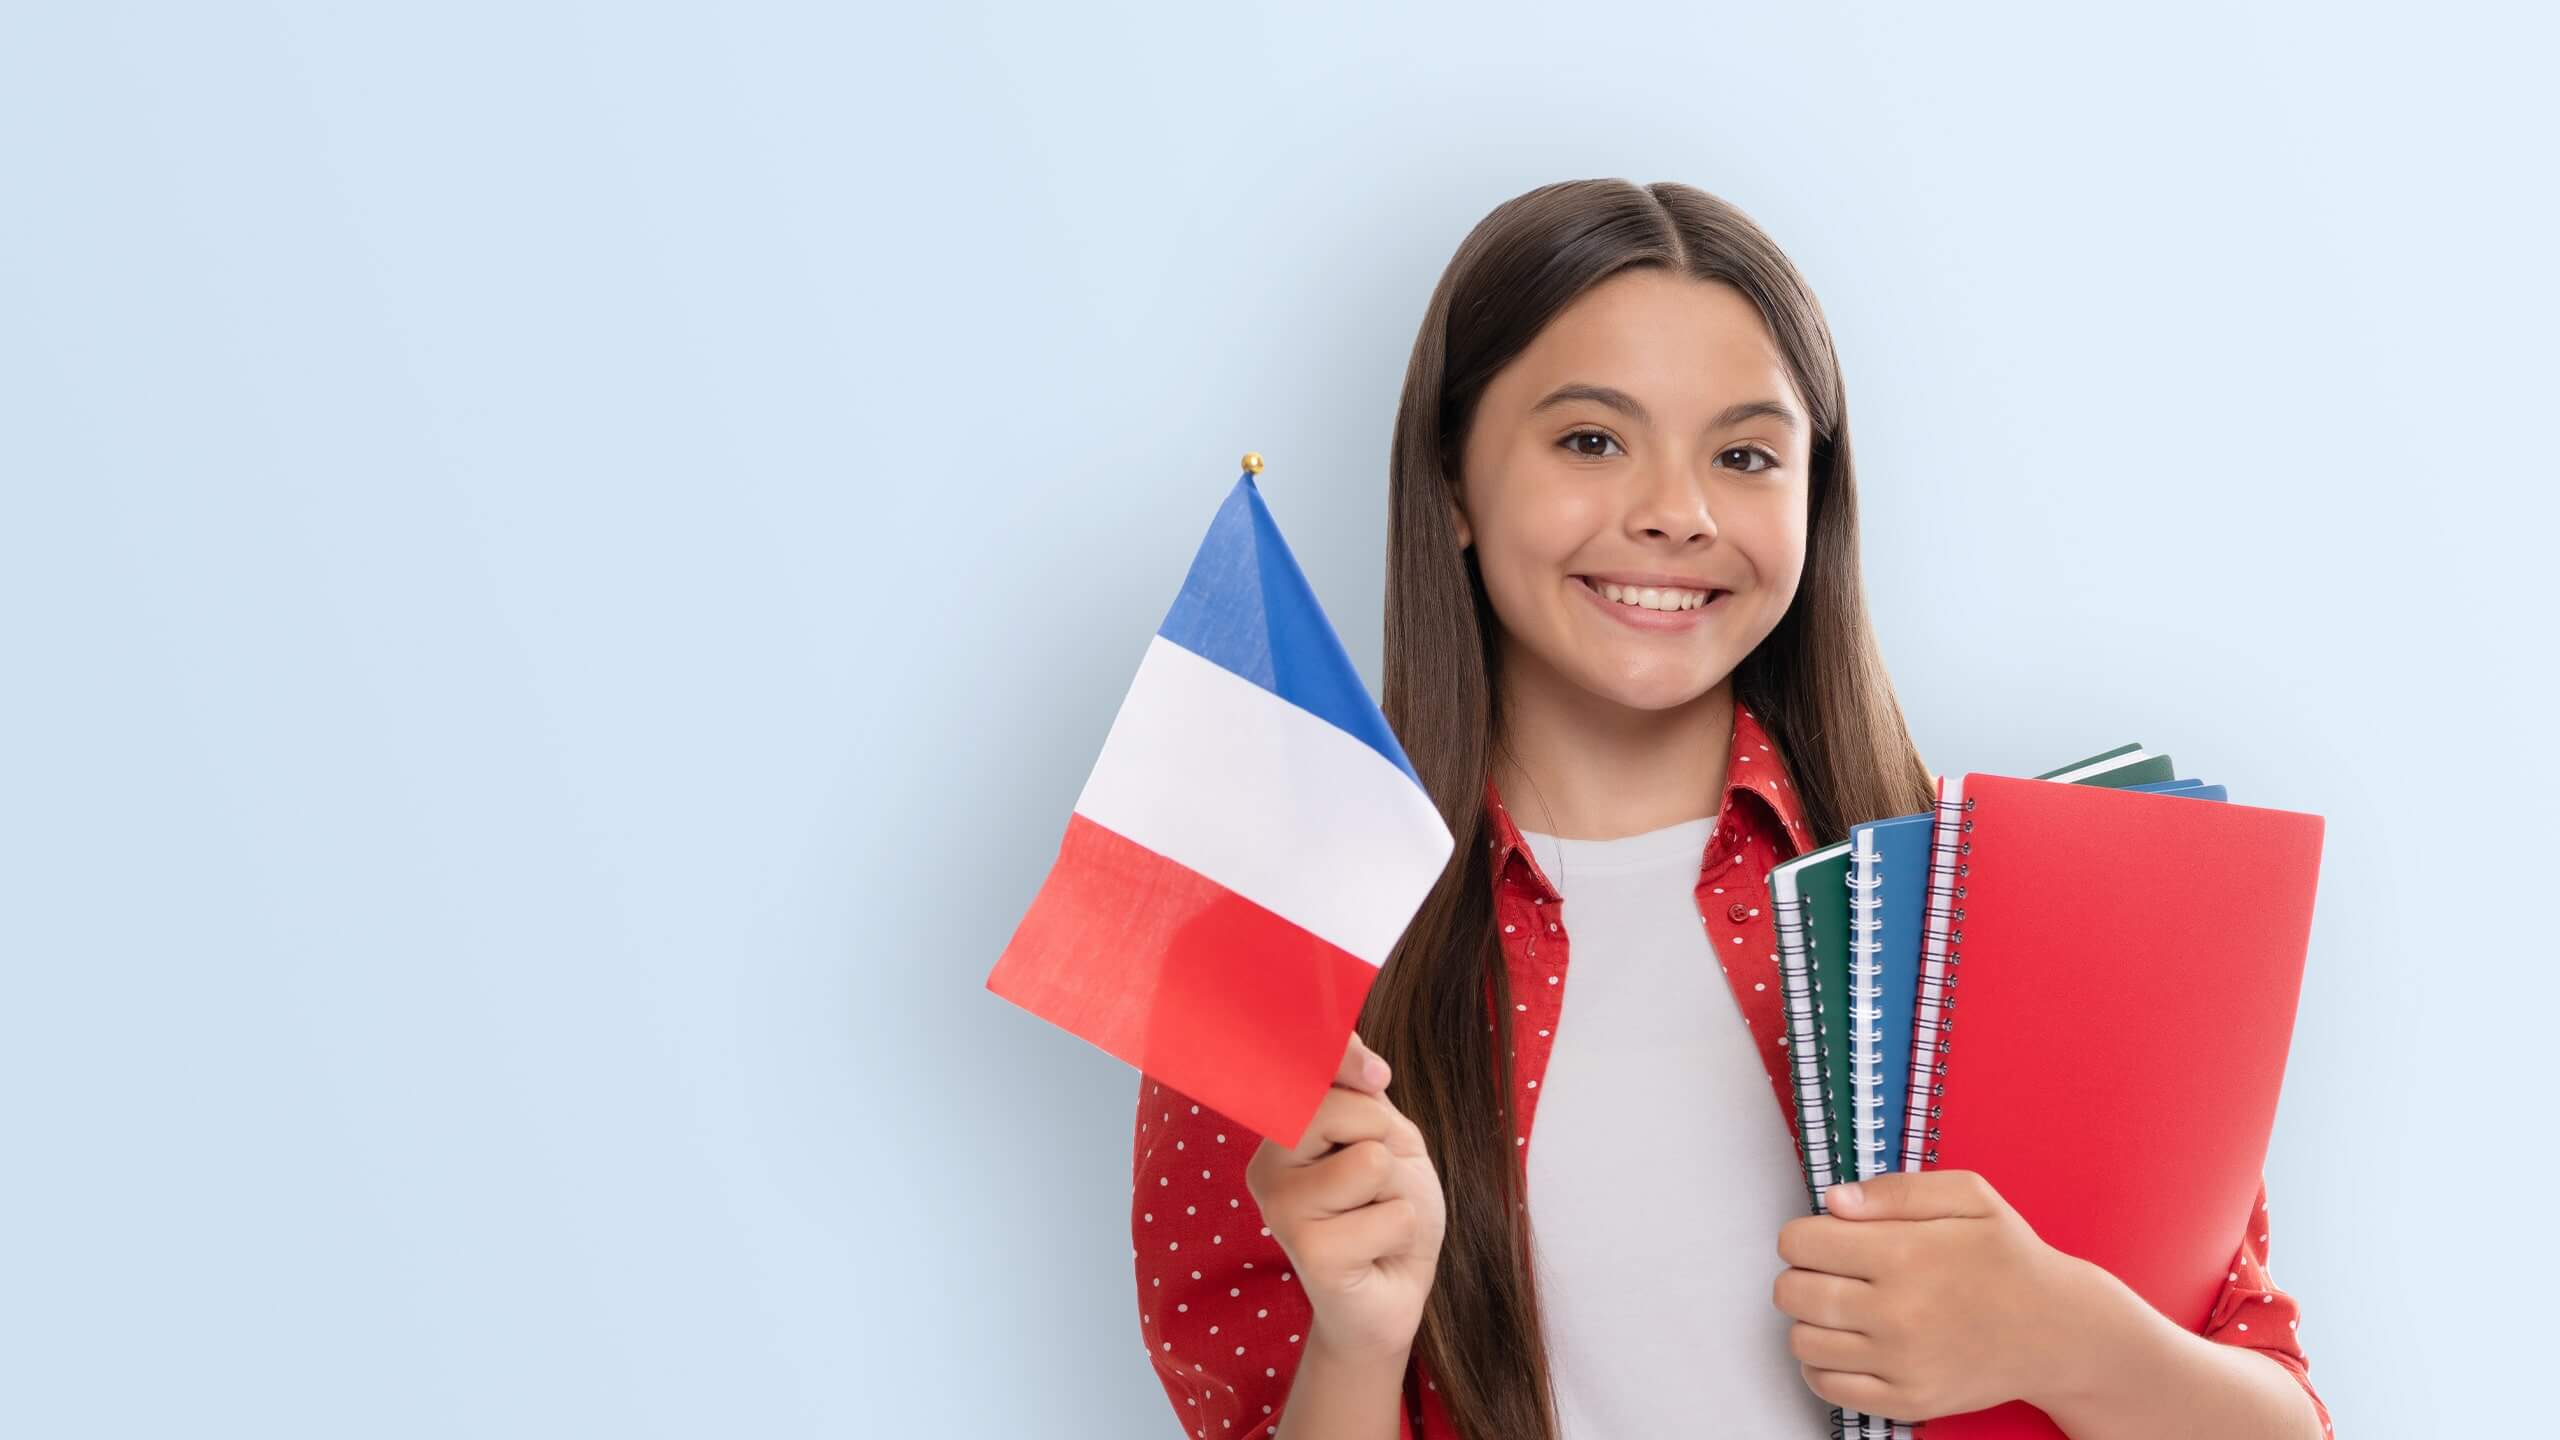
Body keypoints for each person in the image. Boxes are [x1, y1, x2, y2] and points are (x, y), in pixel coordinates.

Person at [1130, 178, 2331, 1440]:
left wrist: (2060, 1335)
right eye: (1590, 439)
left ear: (1814, 498)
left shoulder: (2001, 904)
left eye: (1745, 454)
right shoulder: (1288, 955)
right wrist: (1360, 1341)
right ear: (1450, 485)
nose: (1677, 512)